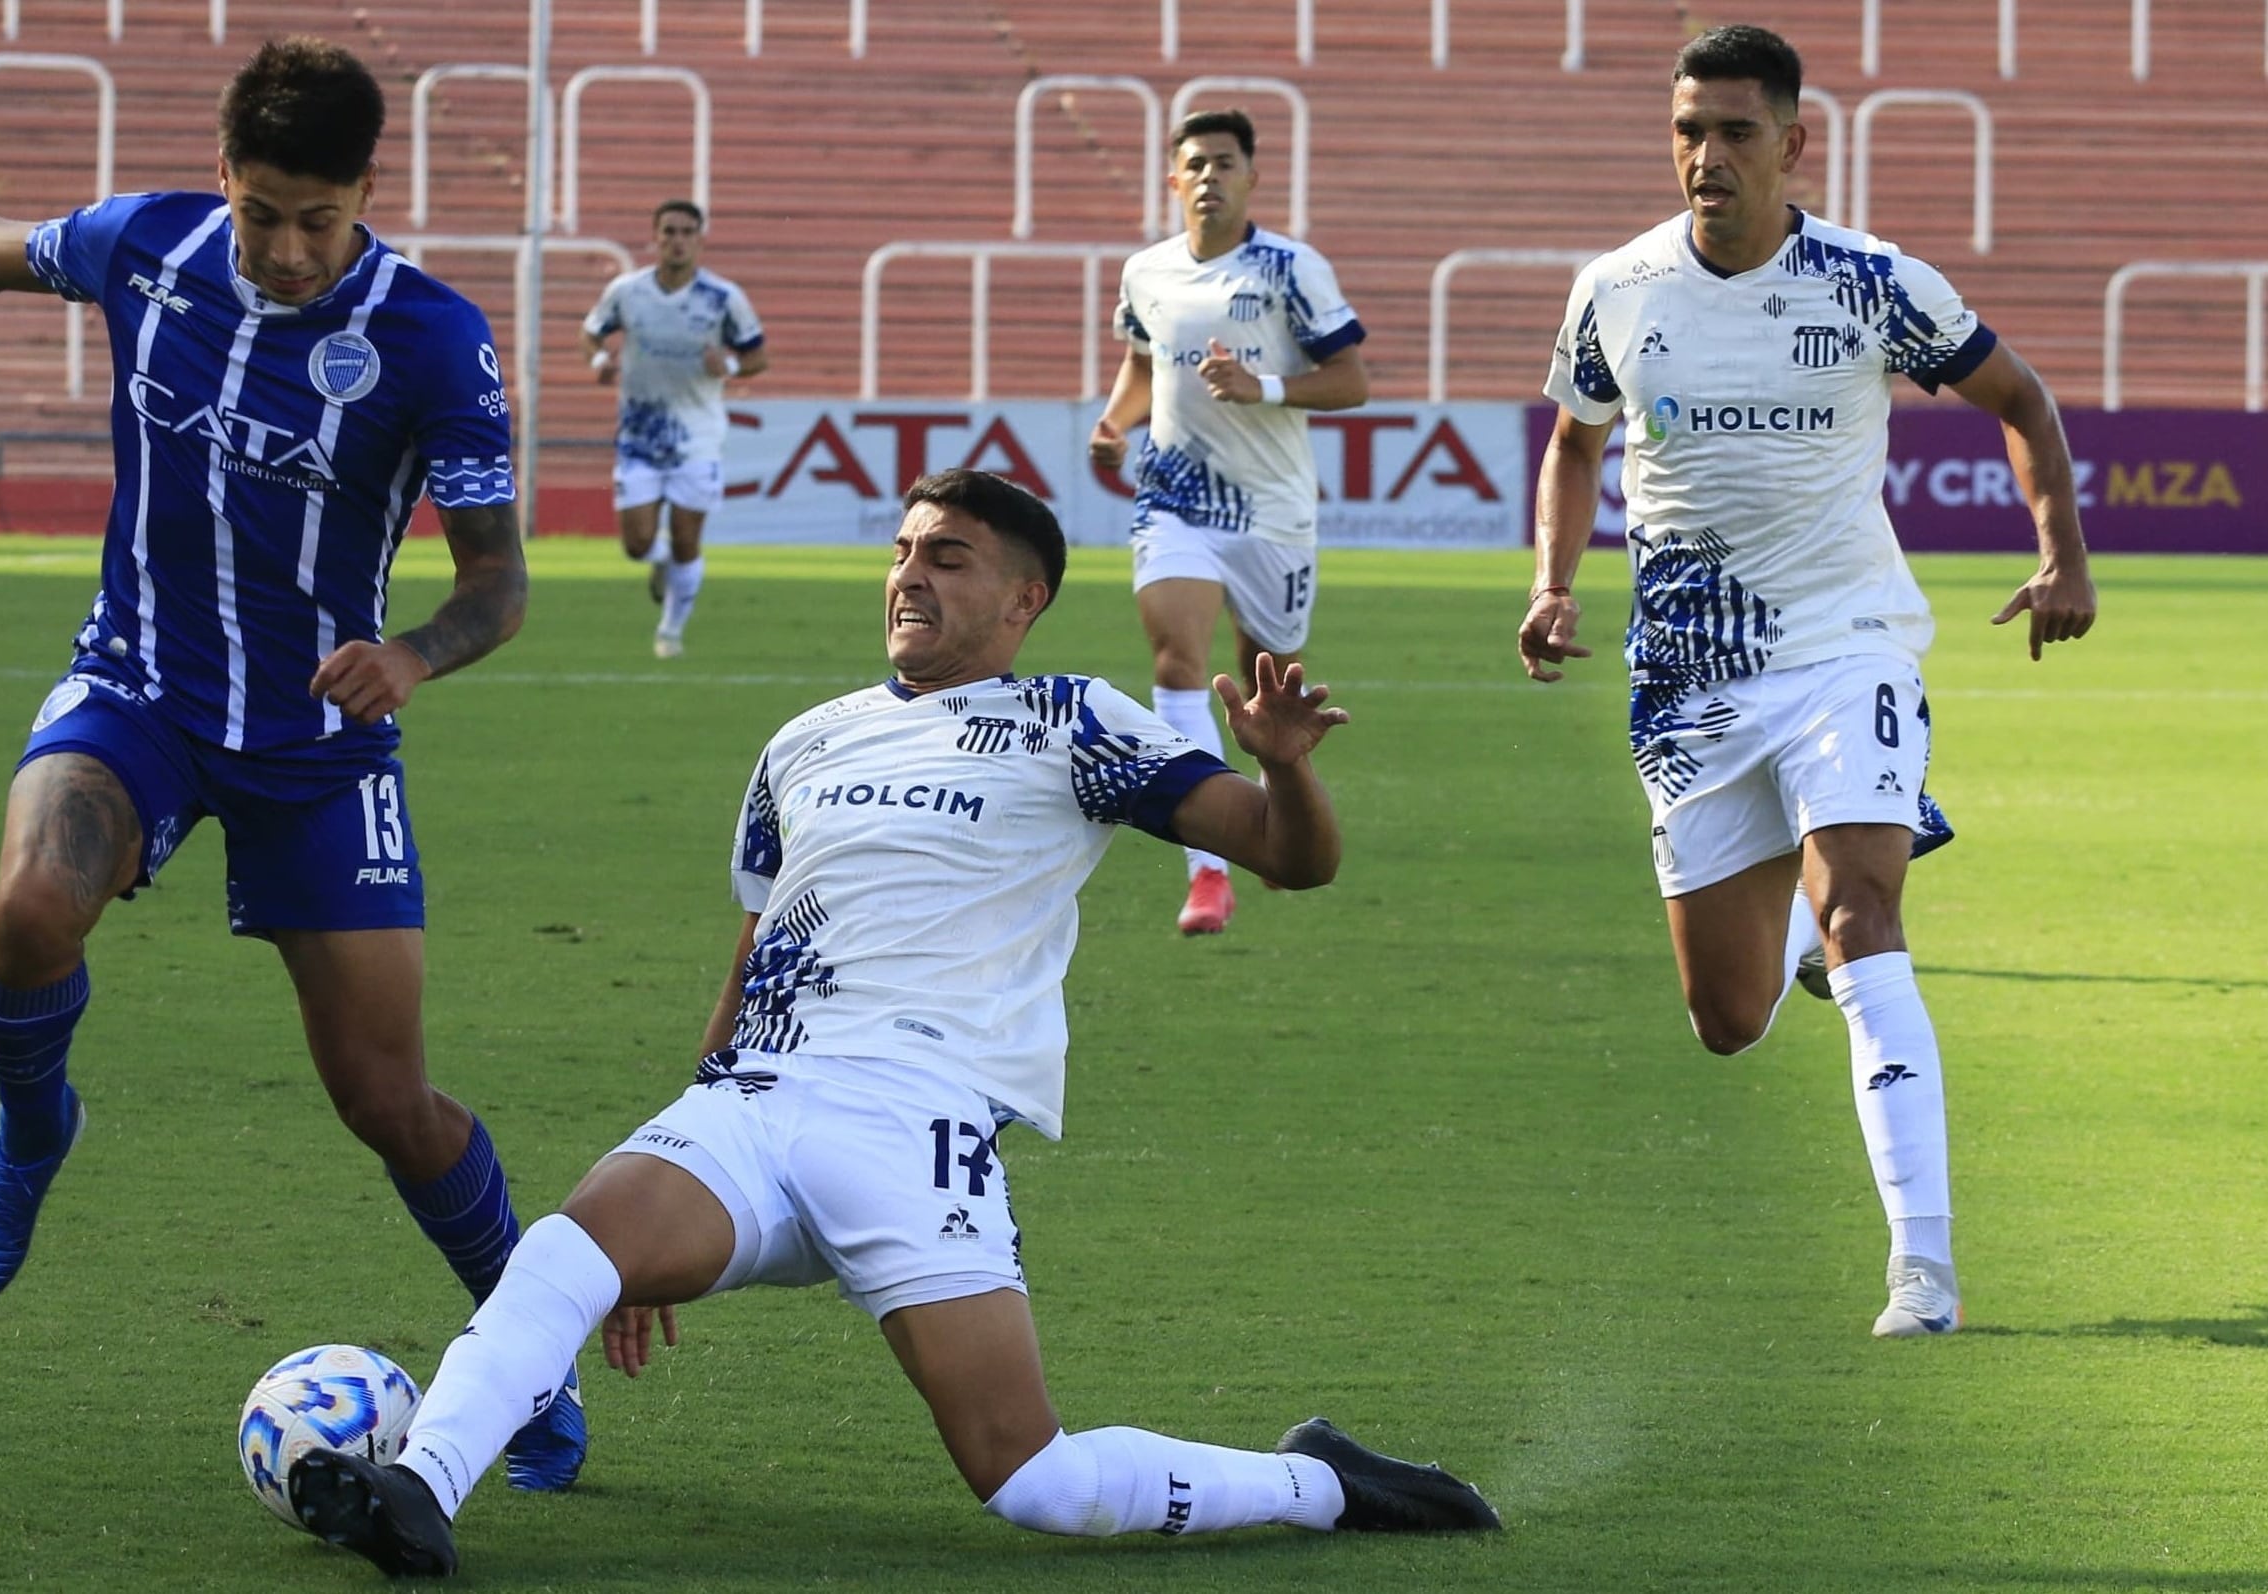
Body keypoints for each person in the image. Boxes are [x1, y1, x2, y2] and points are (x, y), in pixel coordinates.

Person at [286, 470, 1499, 1577]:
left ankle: (1319, 1480)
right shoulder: (804, 741)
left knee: (1035, 1481)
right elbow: (757, 949)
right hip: (752, 1102)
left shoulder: (1072, 720)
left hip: (913, 1119)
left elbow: (1293, 859)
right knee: (566, 1249)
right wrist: (665, 1157)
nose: (911, 573)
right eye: (906, 549)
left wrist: (1287, 767)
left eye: (950, 556)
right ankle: (418, 1486)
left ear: (1024, 599)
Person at [0, 34, 591, 1490]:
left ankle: (522, 1353)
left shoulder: (434, 337)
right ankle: (31, 1126)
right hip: (141, 689)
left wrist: (416, 654)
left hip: (322, 742)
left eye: (318, 217)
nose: (289, 247)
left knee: (389, 1100)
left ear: (368, 192)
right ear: (225, 180)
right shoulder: (155, 246)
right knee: (27, 908)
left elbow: (498, 584)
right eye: (263, 212)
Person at [1519, 25, 2097, 1337]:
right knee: (1726, 1019)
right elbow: (1571, 442)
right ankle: (1803, 923)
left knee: (1865, 918)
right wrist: (1552, 584)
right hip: (1687, 680)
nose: (1703, 155)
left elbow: (2022, 399)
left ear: (1794, 140)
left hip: (1847, 646)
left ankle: (1924, 1267)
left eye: (1731, 130)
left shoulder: (1869, 280)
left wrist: (2060, 551)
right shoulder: (1616, 287)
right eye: (1685, 130)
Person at [1090, 109, 1371, 937]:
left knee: (1266, 692)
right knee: (1178, 659)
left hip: (1272, 512)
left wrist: (1265, 389)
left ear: (1251, 177)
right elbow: (1141, 364)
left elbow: (1351, 379)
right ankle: (1207, 870)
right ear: (1172, 181)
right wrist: (1113, 426)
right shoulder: (1145, 271)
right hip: (1173, 497)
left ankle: (1283, 826)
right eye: (1195, 165)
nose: (1209, 176)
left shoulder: (1289, 268)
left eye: (1224, 162)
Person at [579, 199, 768, 659]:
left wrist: (724, 364)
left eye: (687, 232)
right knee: (637, 543)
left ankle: (670, 630)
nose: (677, 240)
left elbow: (757, 357)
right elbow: (591, 334)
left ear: (700, 240)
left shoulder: (723, 298)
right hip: (639, 438)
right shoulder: (627, 291)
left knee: (687, 539)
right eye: (669, 231)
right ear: (656, 237)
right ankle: (658, 564)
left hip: (696, 440)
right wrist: (601, 360)